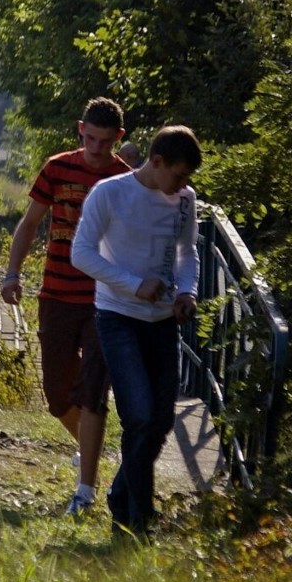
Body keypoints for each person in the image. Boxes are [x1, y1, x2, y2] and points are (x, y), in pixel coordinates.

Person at [71, 125, 202, 539]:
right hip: (117, 317)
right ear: (156, 162)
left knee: (161, 419)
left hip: (163, 321)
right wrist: (132, 284)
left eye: (187, 180)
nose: (183, 186)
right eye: (178, 176)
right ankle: (136, 520)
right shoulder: (109, 193)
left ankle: (120, 495)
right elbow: (82, 253)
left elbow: (187, 252)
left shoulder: (185, 200)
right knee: (139, 415)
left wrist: (186, 291)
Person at [1, 97, 130, 516]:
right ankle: (86, 445)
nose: (95, 148)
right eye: (89, 138)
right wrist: (12, 274)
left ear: (118, 139)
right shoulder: (57, 167)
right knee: (58, 396)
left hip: (103, 301)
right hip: (56, 294)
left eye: (104, 142)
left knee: (92, 391)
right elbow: (31, 223)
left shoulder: (124, 179)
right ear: (80, 130)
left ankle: (86, 487)